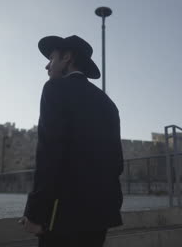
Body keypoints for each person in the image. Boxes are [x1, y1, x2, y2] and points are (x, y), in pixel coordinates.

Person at [18, 35, 124, 247]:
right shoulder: (108, 104)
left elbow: (49, 153)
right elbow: (117, 163)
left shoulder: (55, 89)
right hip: (101, 213)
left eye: (51, 58)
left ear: (67, 57)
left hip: (62, 214)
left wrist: (35, 213)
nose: (47, 66)